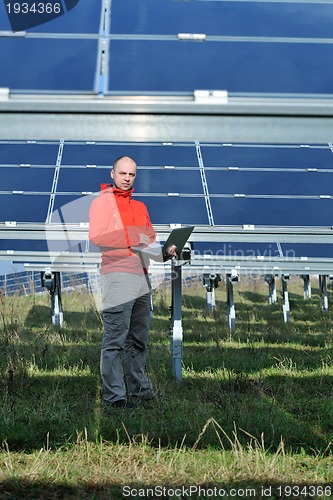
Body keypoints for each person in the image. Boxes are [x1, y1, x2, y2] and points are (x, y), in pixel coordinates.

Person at [89, 156, 176, 409]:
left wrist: (165, 253)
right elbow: (98, 237)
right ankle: (115, 397)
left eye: (132, 174)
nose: (127, 178)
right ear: (112, 173)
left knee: (139, 338)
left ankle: (138, 390)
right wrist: (136, 236)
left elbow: (148, 244)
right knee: (115, 338)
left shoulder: (140, 207)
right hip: (117, 275)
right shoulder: (102, 203)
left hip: (142, 276)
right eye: (123, 173)